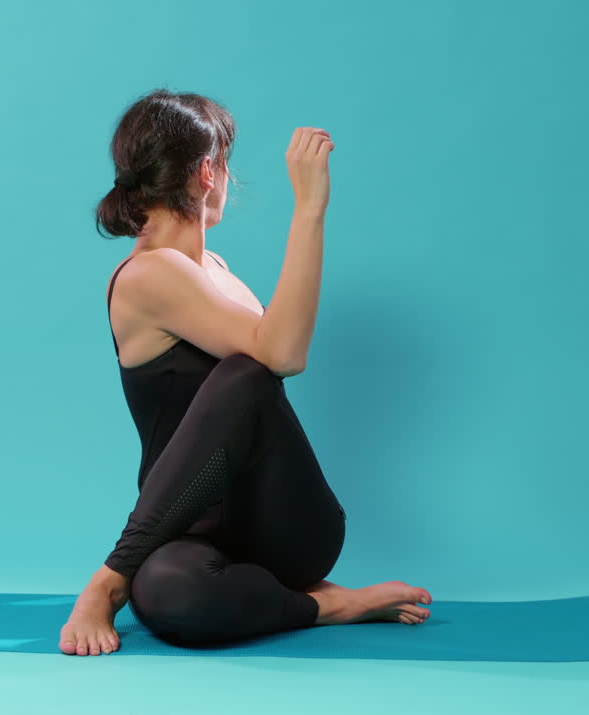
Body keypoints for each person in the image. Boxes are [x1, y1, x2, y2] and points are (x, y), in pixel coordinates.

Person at [60, 88, 432, 656]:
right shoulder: (148, 274)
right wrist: (308, 207)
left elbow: (279, 358)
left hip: (288, 527)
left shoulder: (215, 270)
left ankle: (111, 578)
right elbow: (280, 352)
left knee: (247, 372)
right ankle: (326, 604)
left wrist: (310, 211)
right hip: (183, 532)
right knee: (173, 595)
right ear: (209, 172)